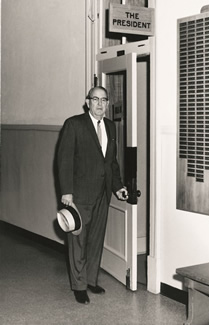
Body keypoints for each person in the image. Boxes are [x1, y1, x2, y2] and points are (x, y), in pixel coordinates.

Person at [57, 86, 128, 304]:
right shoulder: (74, 124)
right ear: (88, 102)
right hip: (79, 194)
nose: (99, 104)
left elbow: (111, 162)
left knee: (96, 239)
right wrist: (67, 192)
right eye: (95, 99)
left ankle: (90, 279)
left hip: (102, 193)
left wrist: (118, 186)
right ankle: (79, 286)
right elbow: (64, 160)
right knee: (78, 239)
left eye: (103, 100)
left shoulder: (110, 126)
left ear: (107, 103)